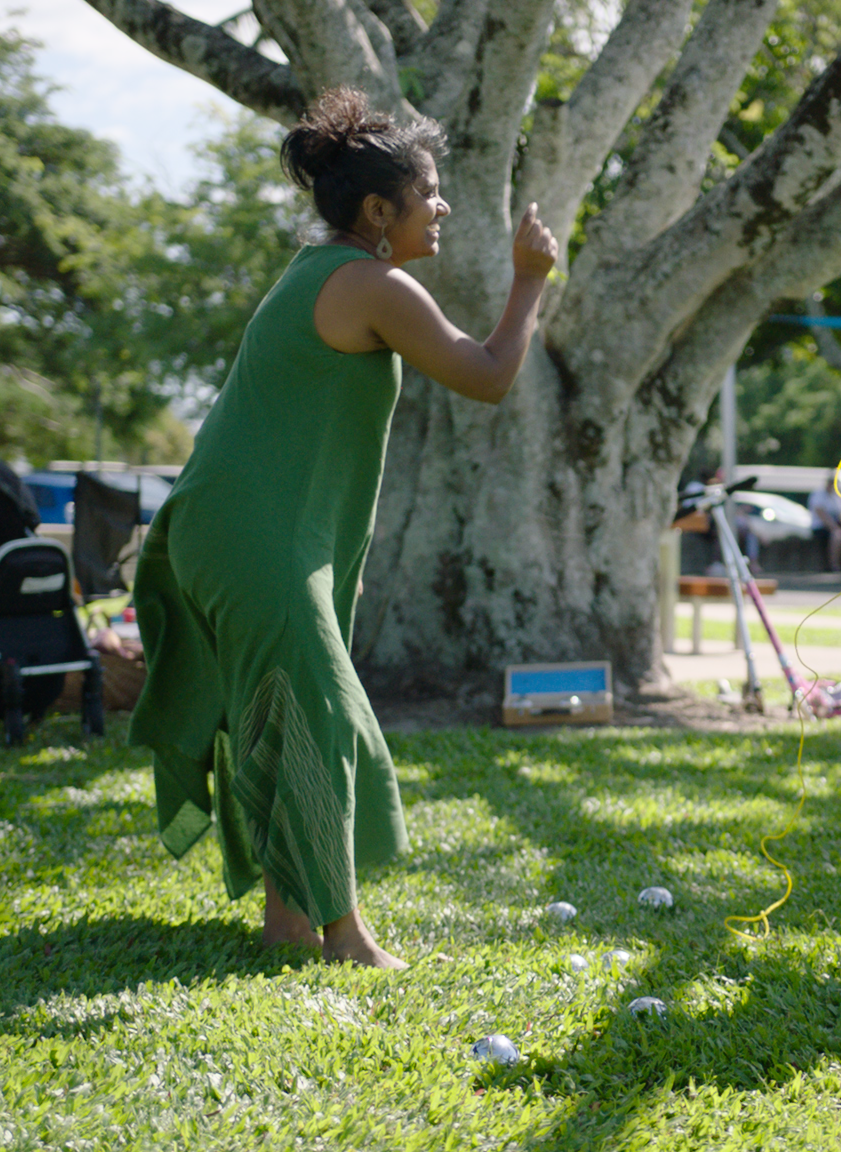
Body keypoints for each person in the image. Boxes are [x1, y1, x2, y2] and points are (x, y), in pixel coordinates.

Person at [131, 88, 560, 969]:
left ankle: (292, 923)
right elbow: (486, 376)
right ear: (378, 211)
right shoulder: (371, 283)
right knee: (317, 715)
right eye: (428, 192)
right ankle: (342, 936)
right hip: (252, 538)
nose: (441, 207)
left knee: (296, 713)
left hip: (234, 529)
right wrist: (528, 282)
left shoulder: (318, 270)